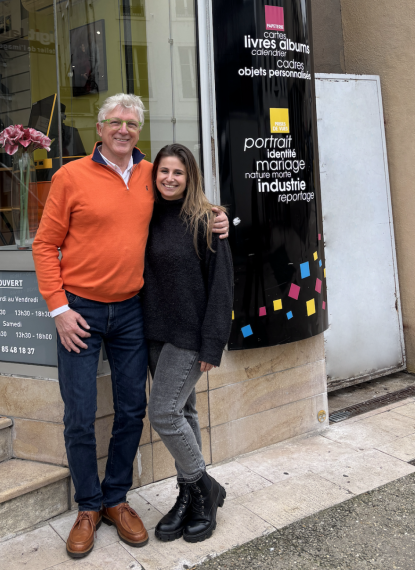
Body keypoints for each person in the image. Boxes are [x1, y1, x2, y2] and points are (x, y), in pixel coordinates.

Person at [32, 93, 229, 559]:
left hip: (133, 314)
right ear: (99, 128)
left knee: (132, 411)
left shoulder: (149, 174)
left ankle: (117, 499)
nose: (124, 130)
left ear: (139, 132)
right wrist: (59, 309)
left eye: (132, 124)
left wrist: (220, 218)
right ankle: (88, 506)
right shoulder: (70, 176)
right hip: (80, 312)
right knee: (79, 416)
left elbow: (186, 205)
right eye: (115, 122)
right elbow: (44, 245)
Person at [143, 144, 234, 544]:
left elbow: (223, 285)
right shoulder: (145, 215)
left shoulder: (207, 220)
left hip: (189, 336)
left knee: (163, 412)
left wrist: (212, 344)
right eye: (164, 171)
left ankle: (204, 488)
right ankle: (190, 499)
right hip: (153, 332)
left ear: (190, 176)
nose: (169, 178)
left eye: (177, 173)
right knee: (185, 412)